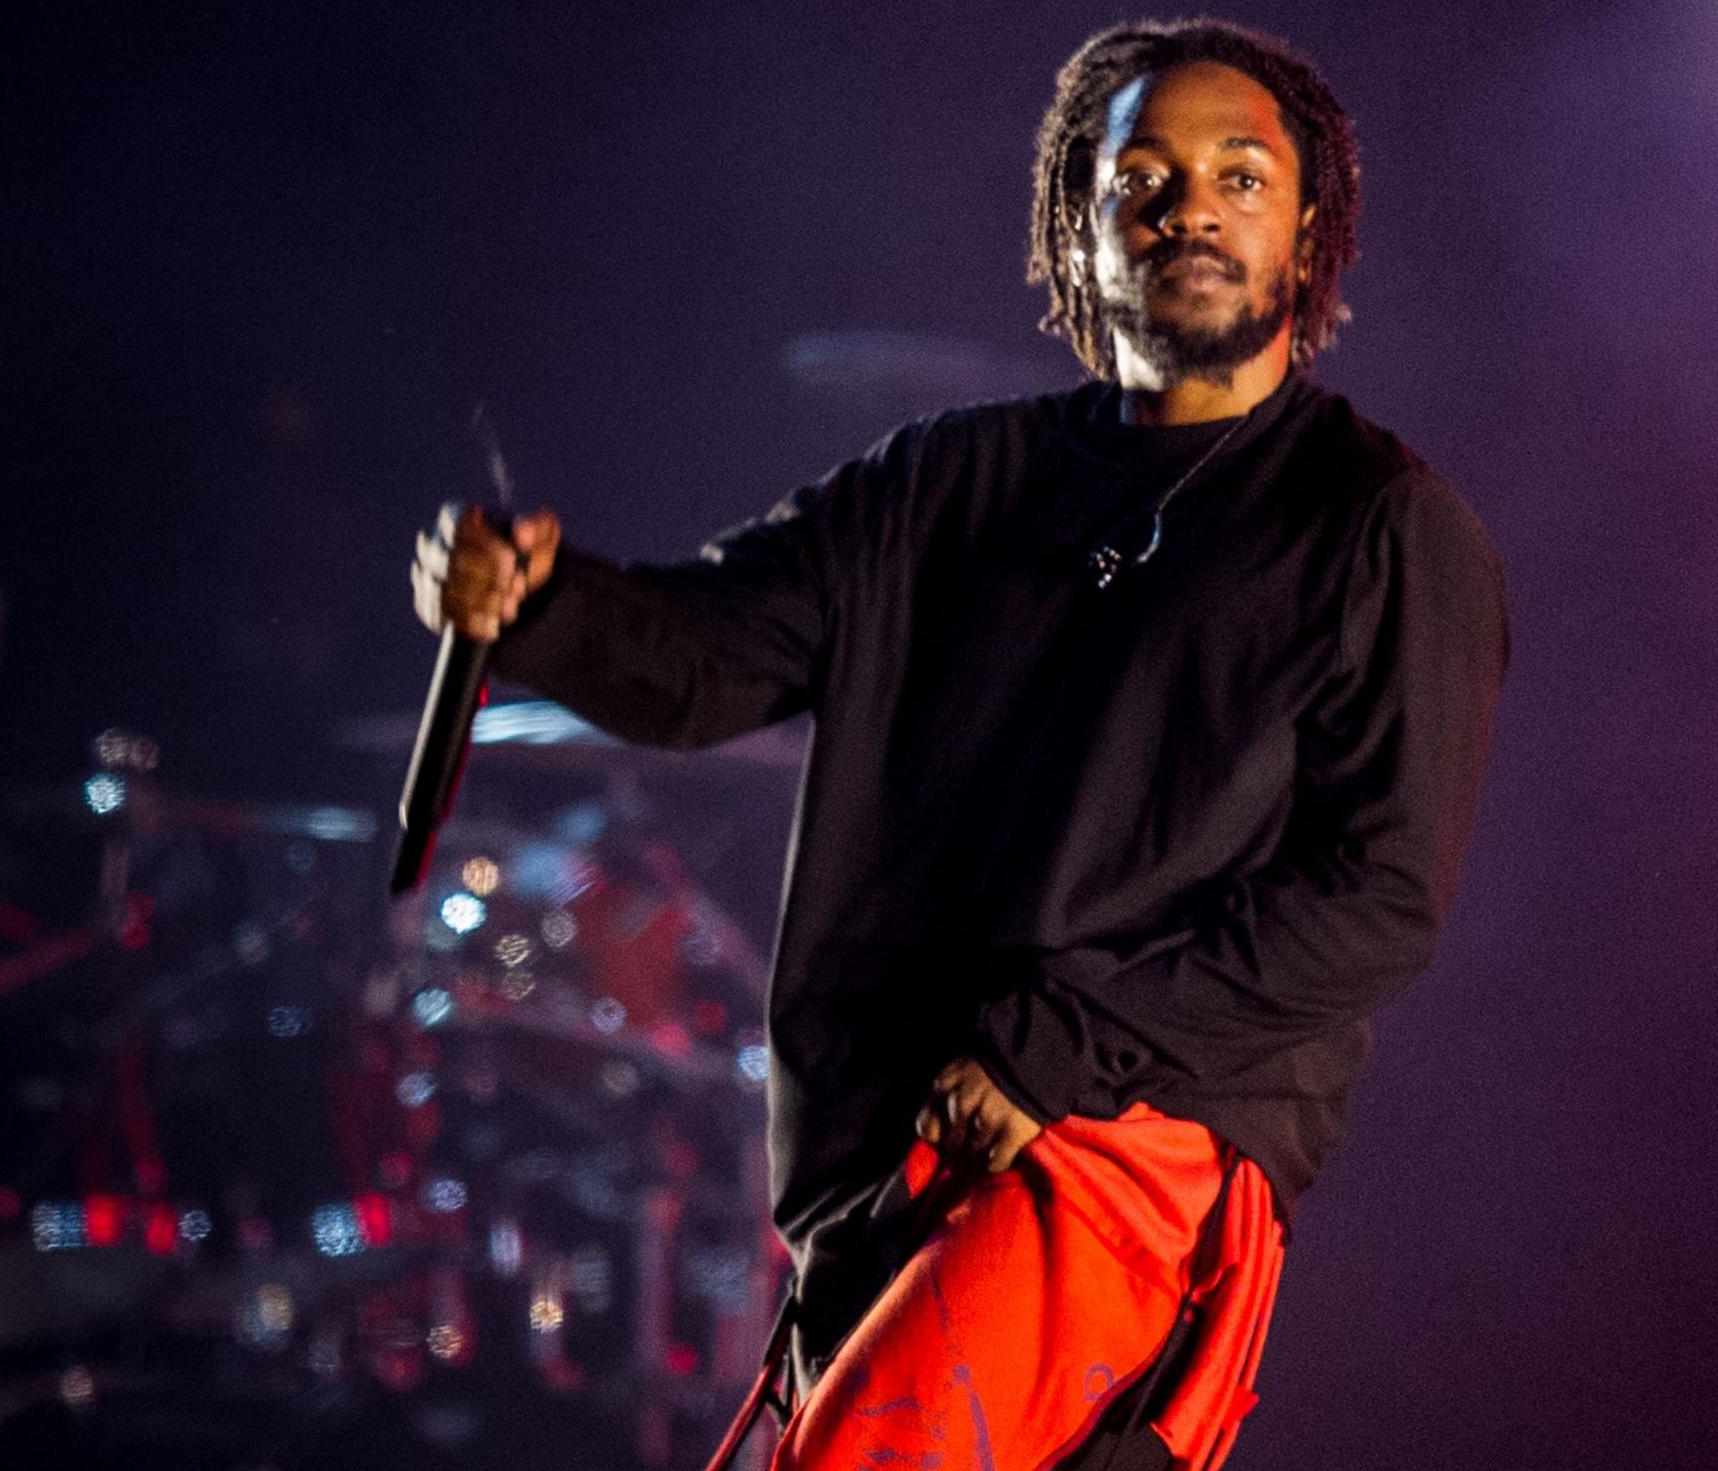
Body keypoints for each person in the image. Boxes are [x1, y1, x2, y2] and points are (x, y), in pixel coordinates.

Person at [411, 18, 1507, 1470]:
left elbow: (1372, 900)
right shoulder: (946, 482)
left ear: (1310, 235)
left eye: (1241, 177)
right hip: (890, 1143)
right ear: (1077, 223)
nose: (1192, 206)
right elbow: (701, 660)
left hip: (1119, 1138)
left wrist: (1056, 1048)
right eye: (1145, 177)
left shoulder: (1377, 524)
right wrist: (537, 607)